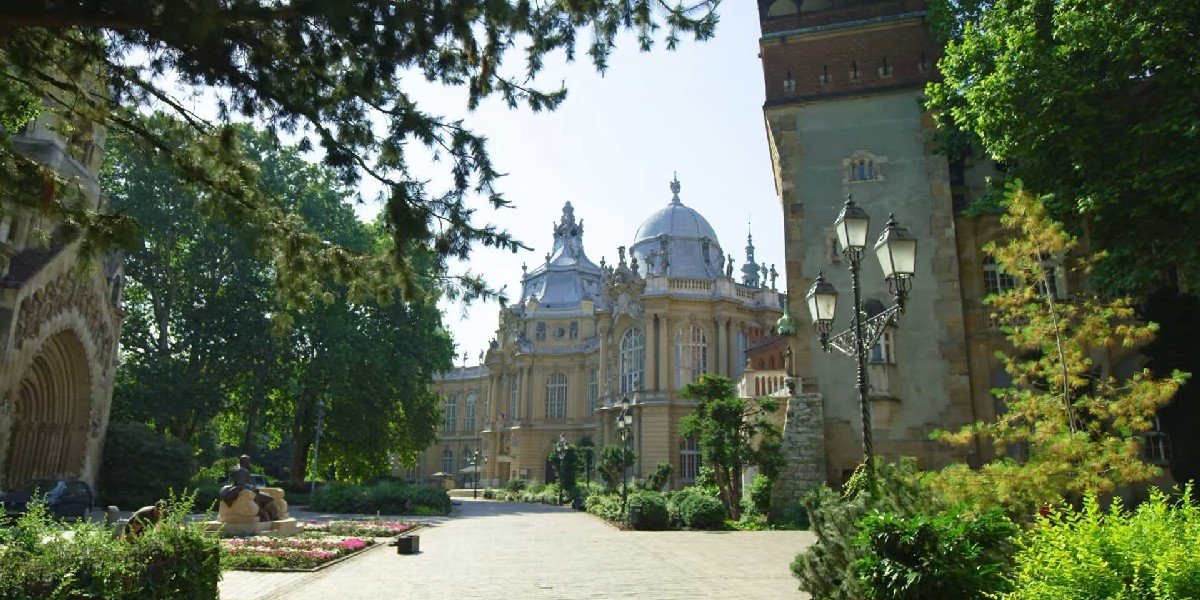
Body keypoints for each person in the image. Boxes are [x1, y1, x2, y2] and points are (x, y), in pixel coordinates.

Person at [220, 455, 278, 522]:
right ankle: (273, 518)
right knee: (270, 498)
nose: (249, 463)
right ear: (244, 462)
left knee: (262, 499)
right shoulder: (242, 470)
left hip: (241, 492)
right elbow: (240, 484)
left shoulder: (234, 469)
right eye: (248, 461)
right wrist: (252, 489)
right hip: (246, 493)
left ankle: (264, 516)